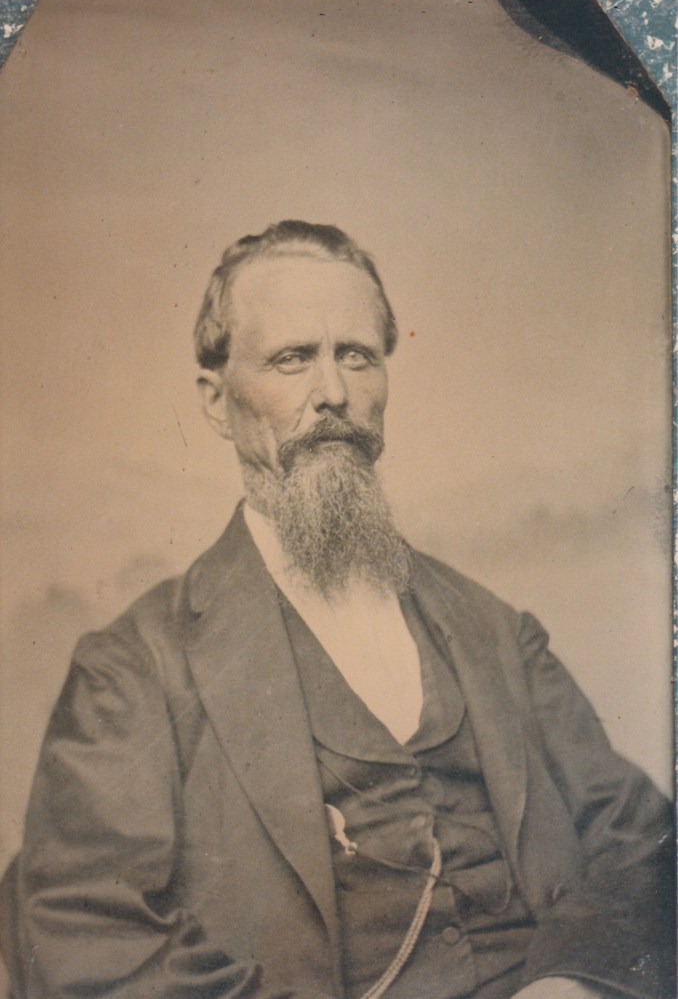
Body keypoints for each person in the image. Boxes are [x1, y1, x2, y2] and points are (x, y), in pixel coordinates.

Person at [0, 221, 673, 999]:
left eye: (357, 355)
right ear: (216, 401)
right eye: (292, 358)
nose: (333, 392)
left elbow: (643, 842)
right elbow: (84, 932)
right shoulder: (135, 668)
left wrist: (575, 981)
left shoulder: (493, 629)